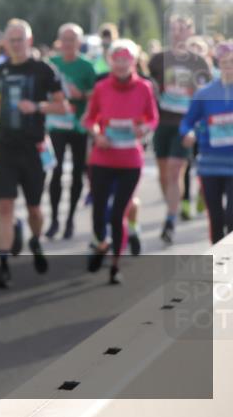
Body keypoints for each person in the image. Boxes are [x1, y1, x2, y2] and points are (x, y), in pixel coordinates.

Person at [0, 19, 68, 289]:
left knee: (34, 208)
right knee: (5, 206)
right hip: (6, 147)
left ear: (29, 41)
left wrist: (37, 106)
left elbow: (63, 107)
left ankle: (35, 240)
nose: (16, 44)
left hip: (33, 148)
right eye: (11, 39)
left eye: (20, 39)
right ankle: (4, 265)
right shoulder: (2, 70)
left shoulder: (44, 69)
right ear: (5, 43)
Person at [82, 39, 158, 284]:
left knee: (118, 215)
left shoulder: (144, 87)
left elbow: (153, 118)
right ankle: (101, 243)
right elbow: (89, 119)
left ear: (134, 61)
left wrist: (145, 128)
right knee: (98, 212)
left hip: (130, 160)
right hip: (102, 157)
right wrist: (97, 134)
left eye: (126, 59)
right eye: (117, 59)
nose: (122, 64)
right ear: (110, 61)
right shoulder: (102, 87)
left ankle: (115, 265)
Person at [148, 16, 213, 244]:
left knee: (176, 170)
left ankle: (170, 219)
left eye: (182, 29)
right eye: (174, 29)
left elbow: (206, 96)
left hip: (185, 125)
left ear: (190, 32)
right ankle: (171, 207)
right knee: (164, 174)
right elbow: (149, 88)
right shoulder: (158, 60)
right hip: (162, 123)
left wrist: (199, 126)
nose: (177, 33)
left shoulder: (199, 63)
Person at [45, 23, 97, 239]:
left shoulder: (86, 67)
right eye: (64, 39)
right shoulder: (51, 64)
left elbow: (96, 96)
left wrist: (81, 94)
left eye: (72, 39)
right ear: (59, 42)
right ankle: (55, 218)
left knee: (77, 172)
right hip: (56, 125)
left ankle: (70, 220)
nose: (68, 44)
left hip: (78, 125)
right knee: (55, 171)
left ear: (79, 43)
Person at [180, 41, 233, 243]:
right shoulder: (205, 93)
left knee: (231, 216)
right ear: (218, 63)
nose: (229, 66)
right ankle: (218, 266)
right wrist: (189, 133)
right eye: (225, 62)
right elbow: (187, 121)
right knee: (216, 218)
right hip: (210, 163)